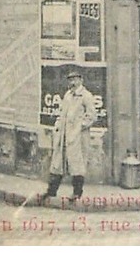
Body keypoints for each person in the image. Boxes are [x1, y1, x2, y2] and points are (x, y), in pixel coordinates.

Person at [42, 68, 97, 203]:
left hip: (77, 137)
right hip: (63, 135)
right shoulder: (67, 95)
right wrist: (58, 126)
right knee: (57, 163)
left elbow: (92, 116)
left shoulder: (86, 96)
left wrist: (79, 127)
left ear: (81, 80)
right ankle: (51, 191)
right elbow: (62, 114)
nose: (72, 82)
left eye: (75, 79)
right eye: (70, 80)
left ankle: (77, 192)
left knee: (77, 165)